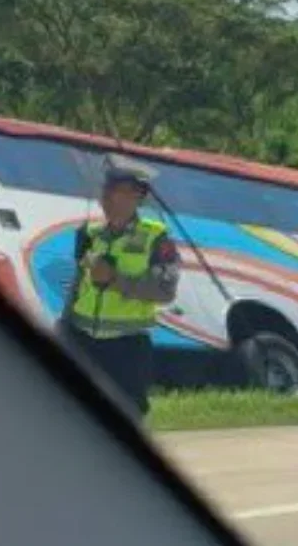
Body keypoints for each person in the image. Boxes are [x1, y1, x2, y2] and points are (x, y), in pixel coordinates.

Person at [57, 157, 180, 422]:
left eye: (117, 190)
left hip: (127, 347)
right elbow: (79, 283)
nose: (107, 196)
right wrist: (64, 325)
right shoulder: (89, 233)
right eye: (106, 189)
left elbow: (165, 289)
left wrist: (115, 280)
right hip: (81, 341)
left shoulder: (156, 237)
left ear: (138, 196)